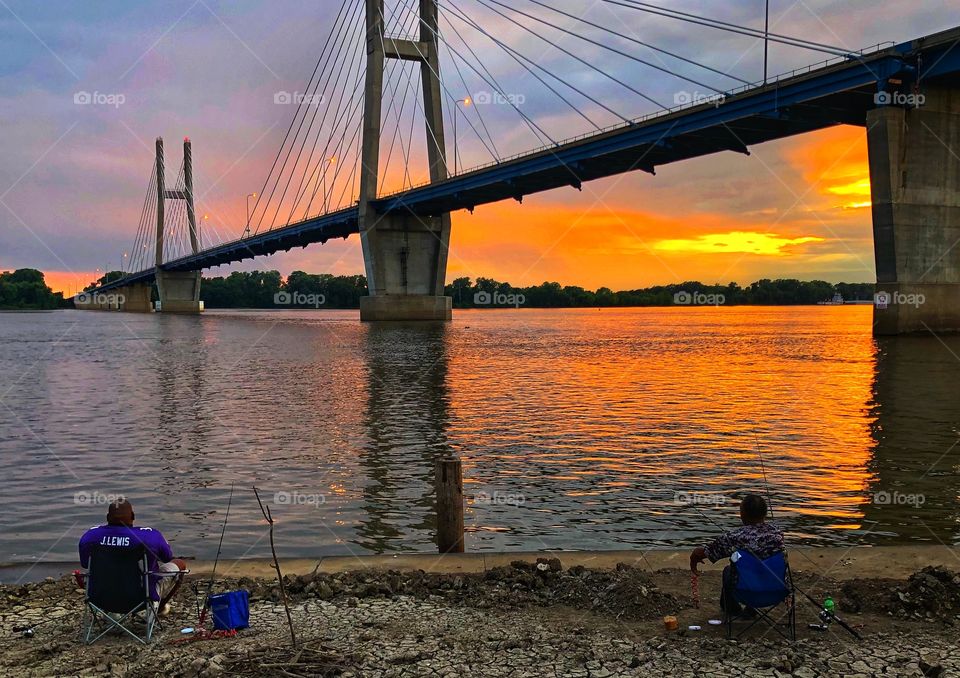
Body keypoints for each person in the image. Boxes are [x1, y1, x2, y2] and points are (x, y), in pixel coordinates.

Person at [78, 499, 186, 616]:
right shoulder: (150, 536)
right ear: (133, 516)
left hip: (100, 598)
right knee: (180, 564)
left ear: (108, 517)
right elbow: (167, 557)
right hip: (141, 599)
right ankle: (158, 608)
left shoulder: (91, 536)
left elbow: (85, 564)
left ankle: (111, 613)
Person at [689, 494, 784, 616]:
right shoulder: (777, 534)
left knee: (728, 570)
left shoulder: (735, 537)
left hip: (744, 591)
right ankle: (750, 609)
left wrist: (694, 556)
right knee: (759, 566)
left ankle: (733, 609)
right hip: (776, 589)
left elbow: (707, 552)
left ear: (743, 514)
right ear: (765, 514)